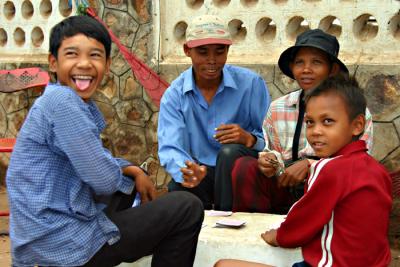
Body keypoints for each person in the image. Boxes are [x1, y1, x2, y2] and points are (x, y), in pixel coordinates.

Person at [6, 15, 204, 267]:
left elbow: (96, 162)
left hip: (37, 243)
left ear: (107, 64)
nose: (85, 64)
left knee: (129, 183)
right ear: (53, 63)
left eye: (95, 55)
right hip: (59, 245)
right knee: (186, 207)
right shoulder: (63, 103)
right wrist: (126, 172)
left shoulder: (60, 100)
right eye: (72, 54)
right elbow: (103, 178)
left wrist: (132, 170)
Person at [215, 76, 392, 267]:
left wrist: (279, 236)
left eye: (327, 121)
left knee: (223, 265)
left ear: (357, 125)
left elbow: (303, 221)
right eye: (310, 122)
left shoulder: (330, 169)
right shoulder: (378, 170)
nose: (315, 131)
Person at [231, 29, 373, 214]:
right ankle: (255, 227)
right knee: (245, 167)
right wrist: (270, 160)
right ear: (292, 67)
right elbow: (272, 149)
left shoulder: (353, 111)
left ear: (333, 69)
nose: (306, 69)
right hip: (284, 185)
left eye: (316, 62)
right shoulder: (278, 108)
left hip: (327, 189)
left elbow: (360, 162)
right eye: (300, 62)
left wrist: (310, 165)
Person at [158, 14, 270, 210]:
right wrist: (188, 171)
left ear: (228, 50)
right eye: (202, 52)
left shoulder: (251, 84)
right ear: (187, 50)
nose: (212, 60)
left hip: (241, 174)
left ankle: (225, 219)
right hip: (203, 174)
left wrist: (249, 139)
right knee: (178, 188)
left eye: (220, 52)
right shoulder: (174, 95)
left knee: (229, 153)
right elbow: (170, 147)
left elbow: (272, 141)